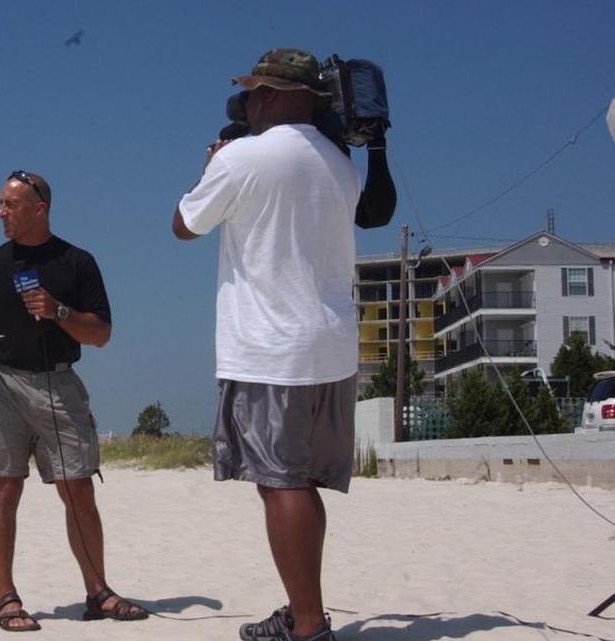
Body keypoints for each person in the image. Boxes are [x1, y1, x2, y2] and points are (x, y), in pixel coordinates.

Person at [172, 49, 393, 641]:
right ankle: (304, 613)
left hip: (270, 346)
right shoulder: (338, 163)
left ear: (268, 94)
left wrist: (212, 164)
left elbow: (184, 224)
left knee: (280, 483)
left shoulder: (244, 157)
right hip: (331, 346)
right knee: (300, 481)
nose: (244, 103)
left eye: (250, 94)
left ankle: (308, 626)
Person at [0, 170, 148, 632]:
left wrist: (58, 312)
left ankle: (98, 591)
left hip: (59, 385)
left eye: (10, 205)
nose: (0, 212)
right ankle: (6, 598)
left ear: (40, 208)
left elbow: (101, 333)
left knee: (78, 488)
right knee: (4, 488)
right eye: (0, 204)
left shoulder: (77, 262)